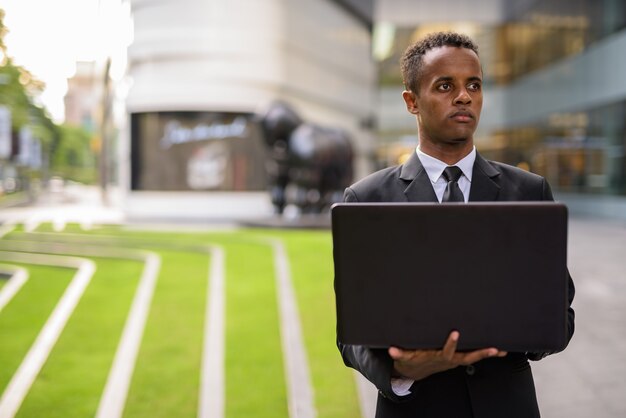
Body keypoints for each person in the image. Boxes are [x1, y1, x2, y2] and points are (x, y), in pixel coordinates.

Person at [337, 32, 575, 418]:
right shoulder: (367, 199)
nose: (463, 97)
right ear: (411, 101)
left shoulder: (529, 191)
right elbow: (350, 337)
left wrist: (521, 333)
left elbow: (561, 317)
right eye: (445, 85)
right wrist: (401, 371)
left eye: (474, 85)